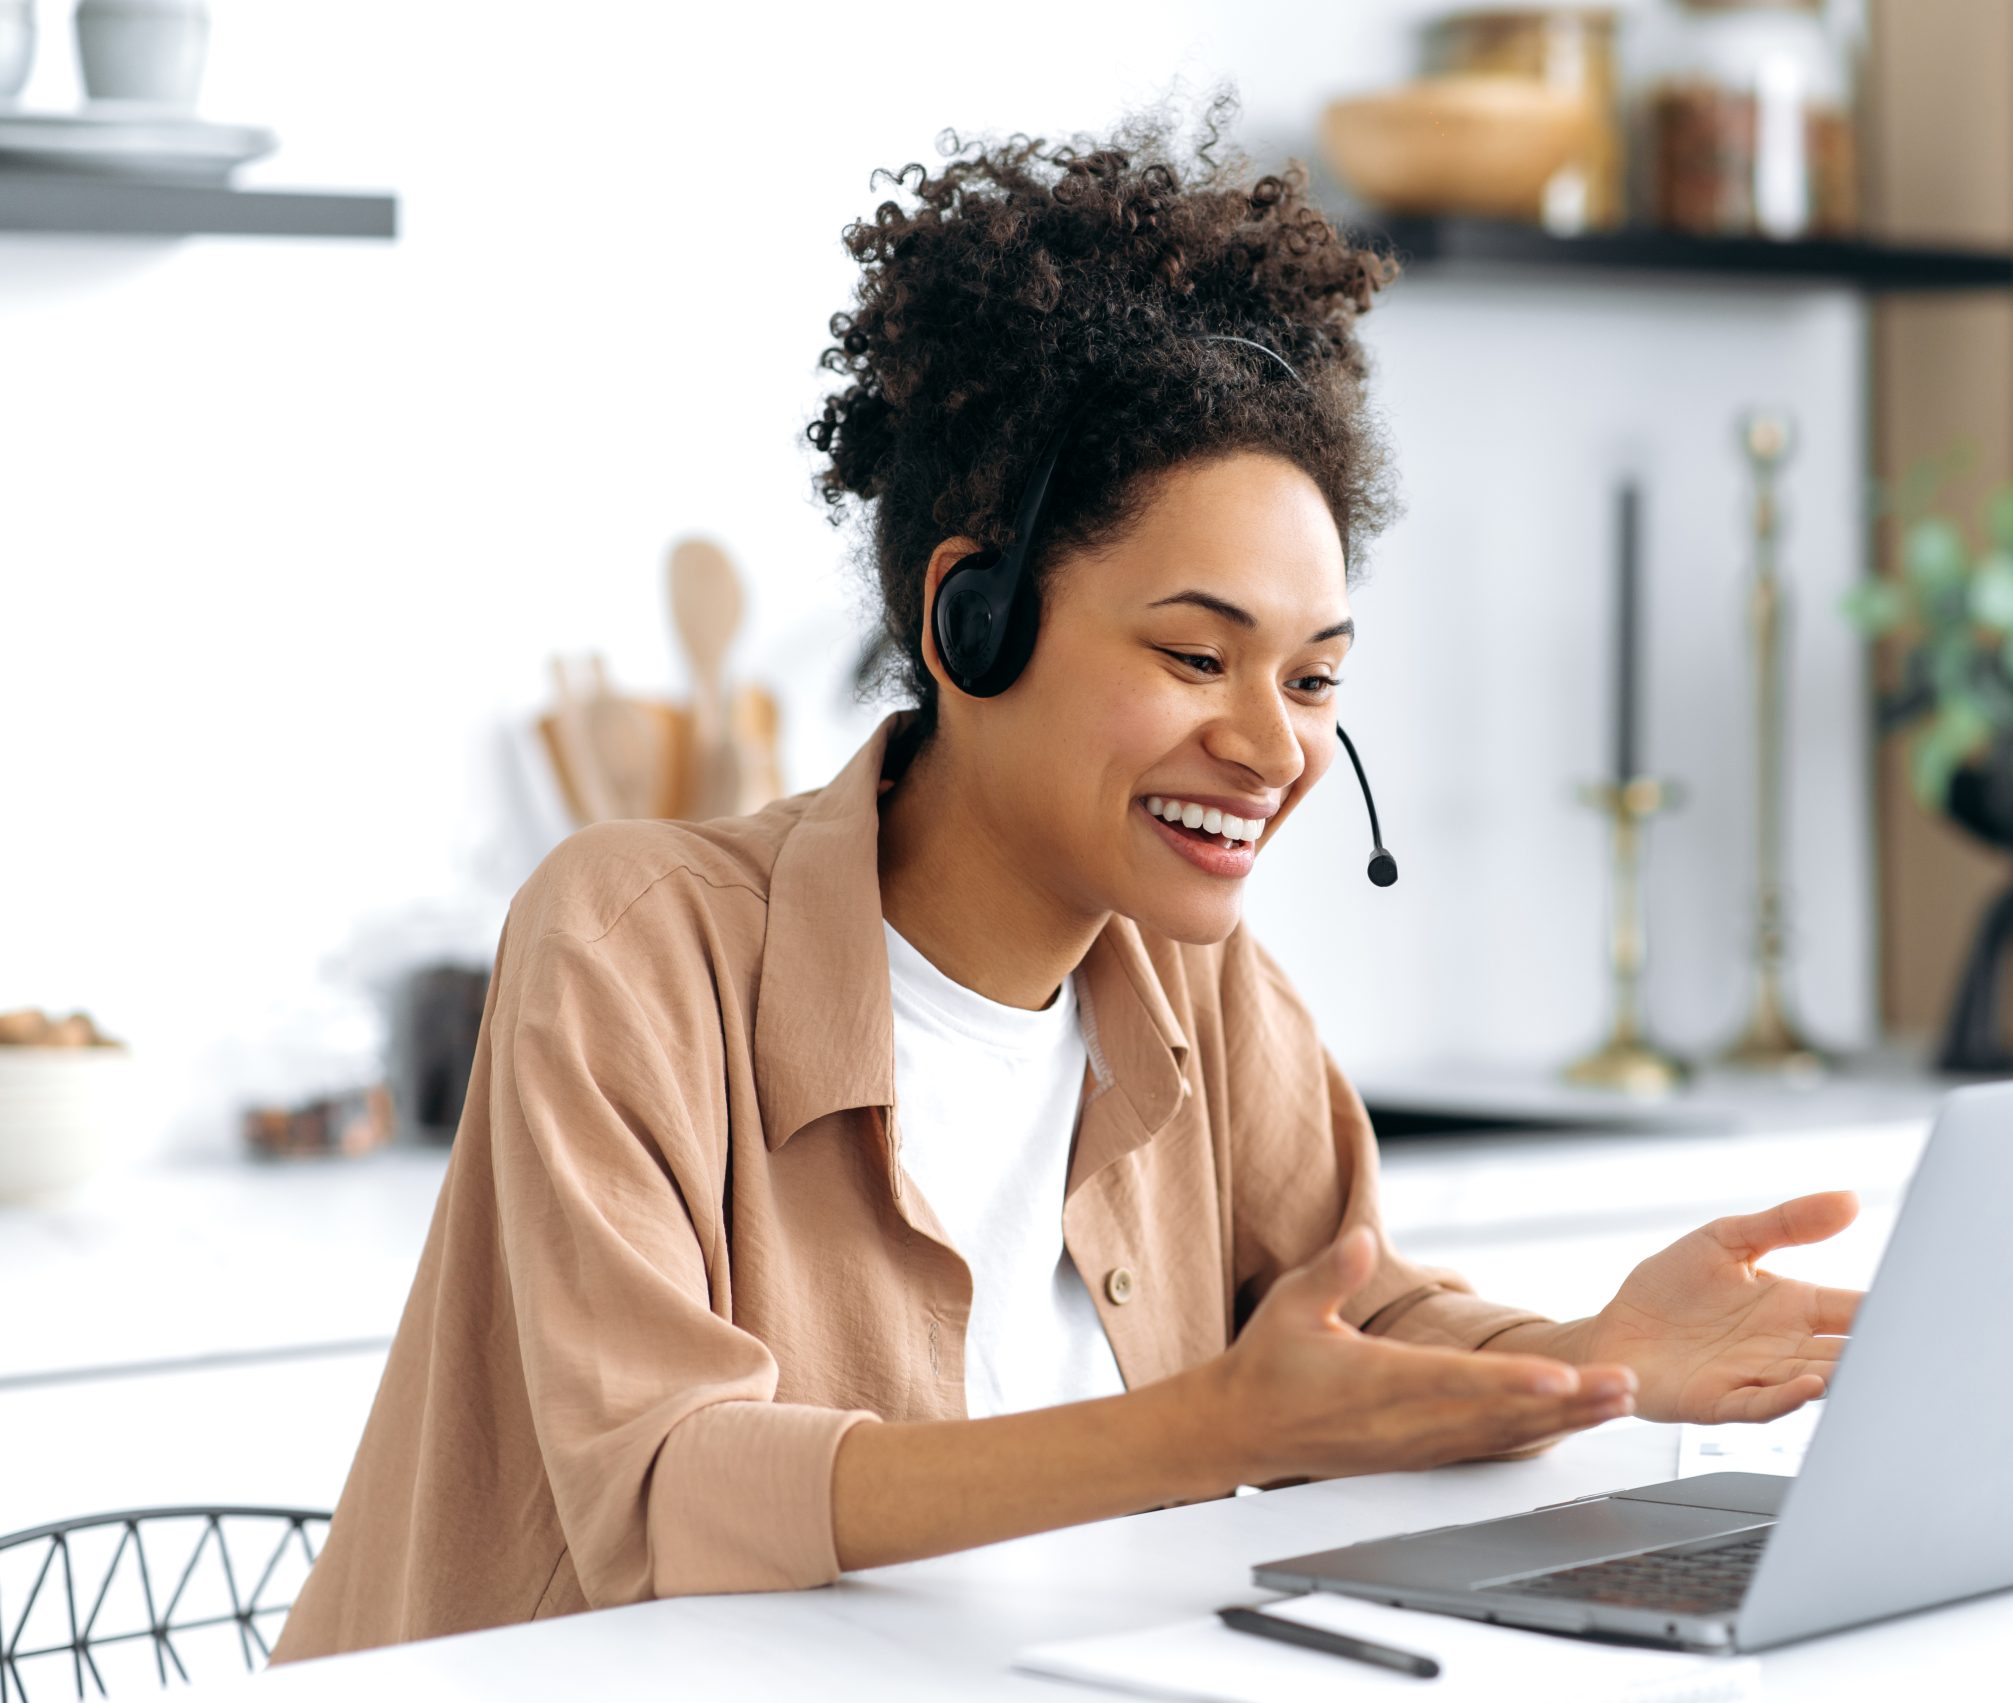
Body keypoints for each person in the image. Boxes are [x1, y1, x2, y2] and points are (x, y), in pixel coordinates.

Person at [271, 96, 1860, 1664]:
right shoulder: (634, 941)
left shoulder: (1199, 984)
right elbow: (671, 1487)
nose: (1275, 748)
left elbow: (1351, 1329)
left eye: (1313, 681)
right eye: (1193, 655)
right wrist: (1193, 1433)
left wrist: (1600, 1361)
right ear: (975, 620)